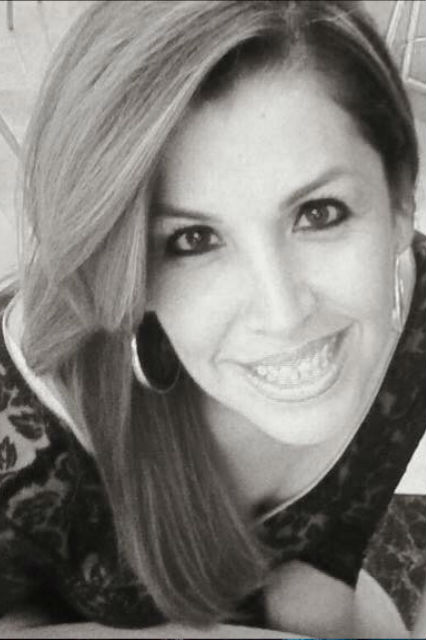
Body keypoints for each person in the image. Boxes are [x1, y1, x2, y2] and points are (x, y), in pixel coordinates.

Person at [0, 0, 425, 637]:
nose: (282, 314)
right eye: (194, 240)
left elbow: (328, 557)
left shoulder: (413, 330)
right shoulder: (21, 437)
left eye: (319, 212)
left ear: (400, 200)